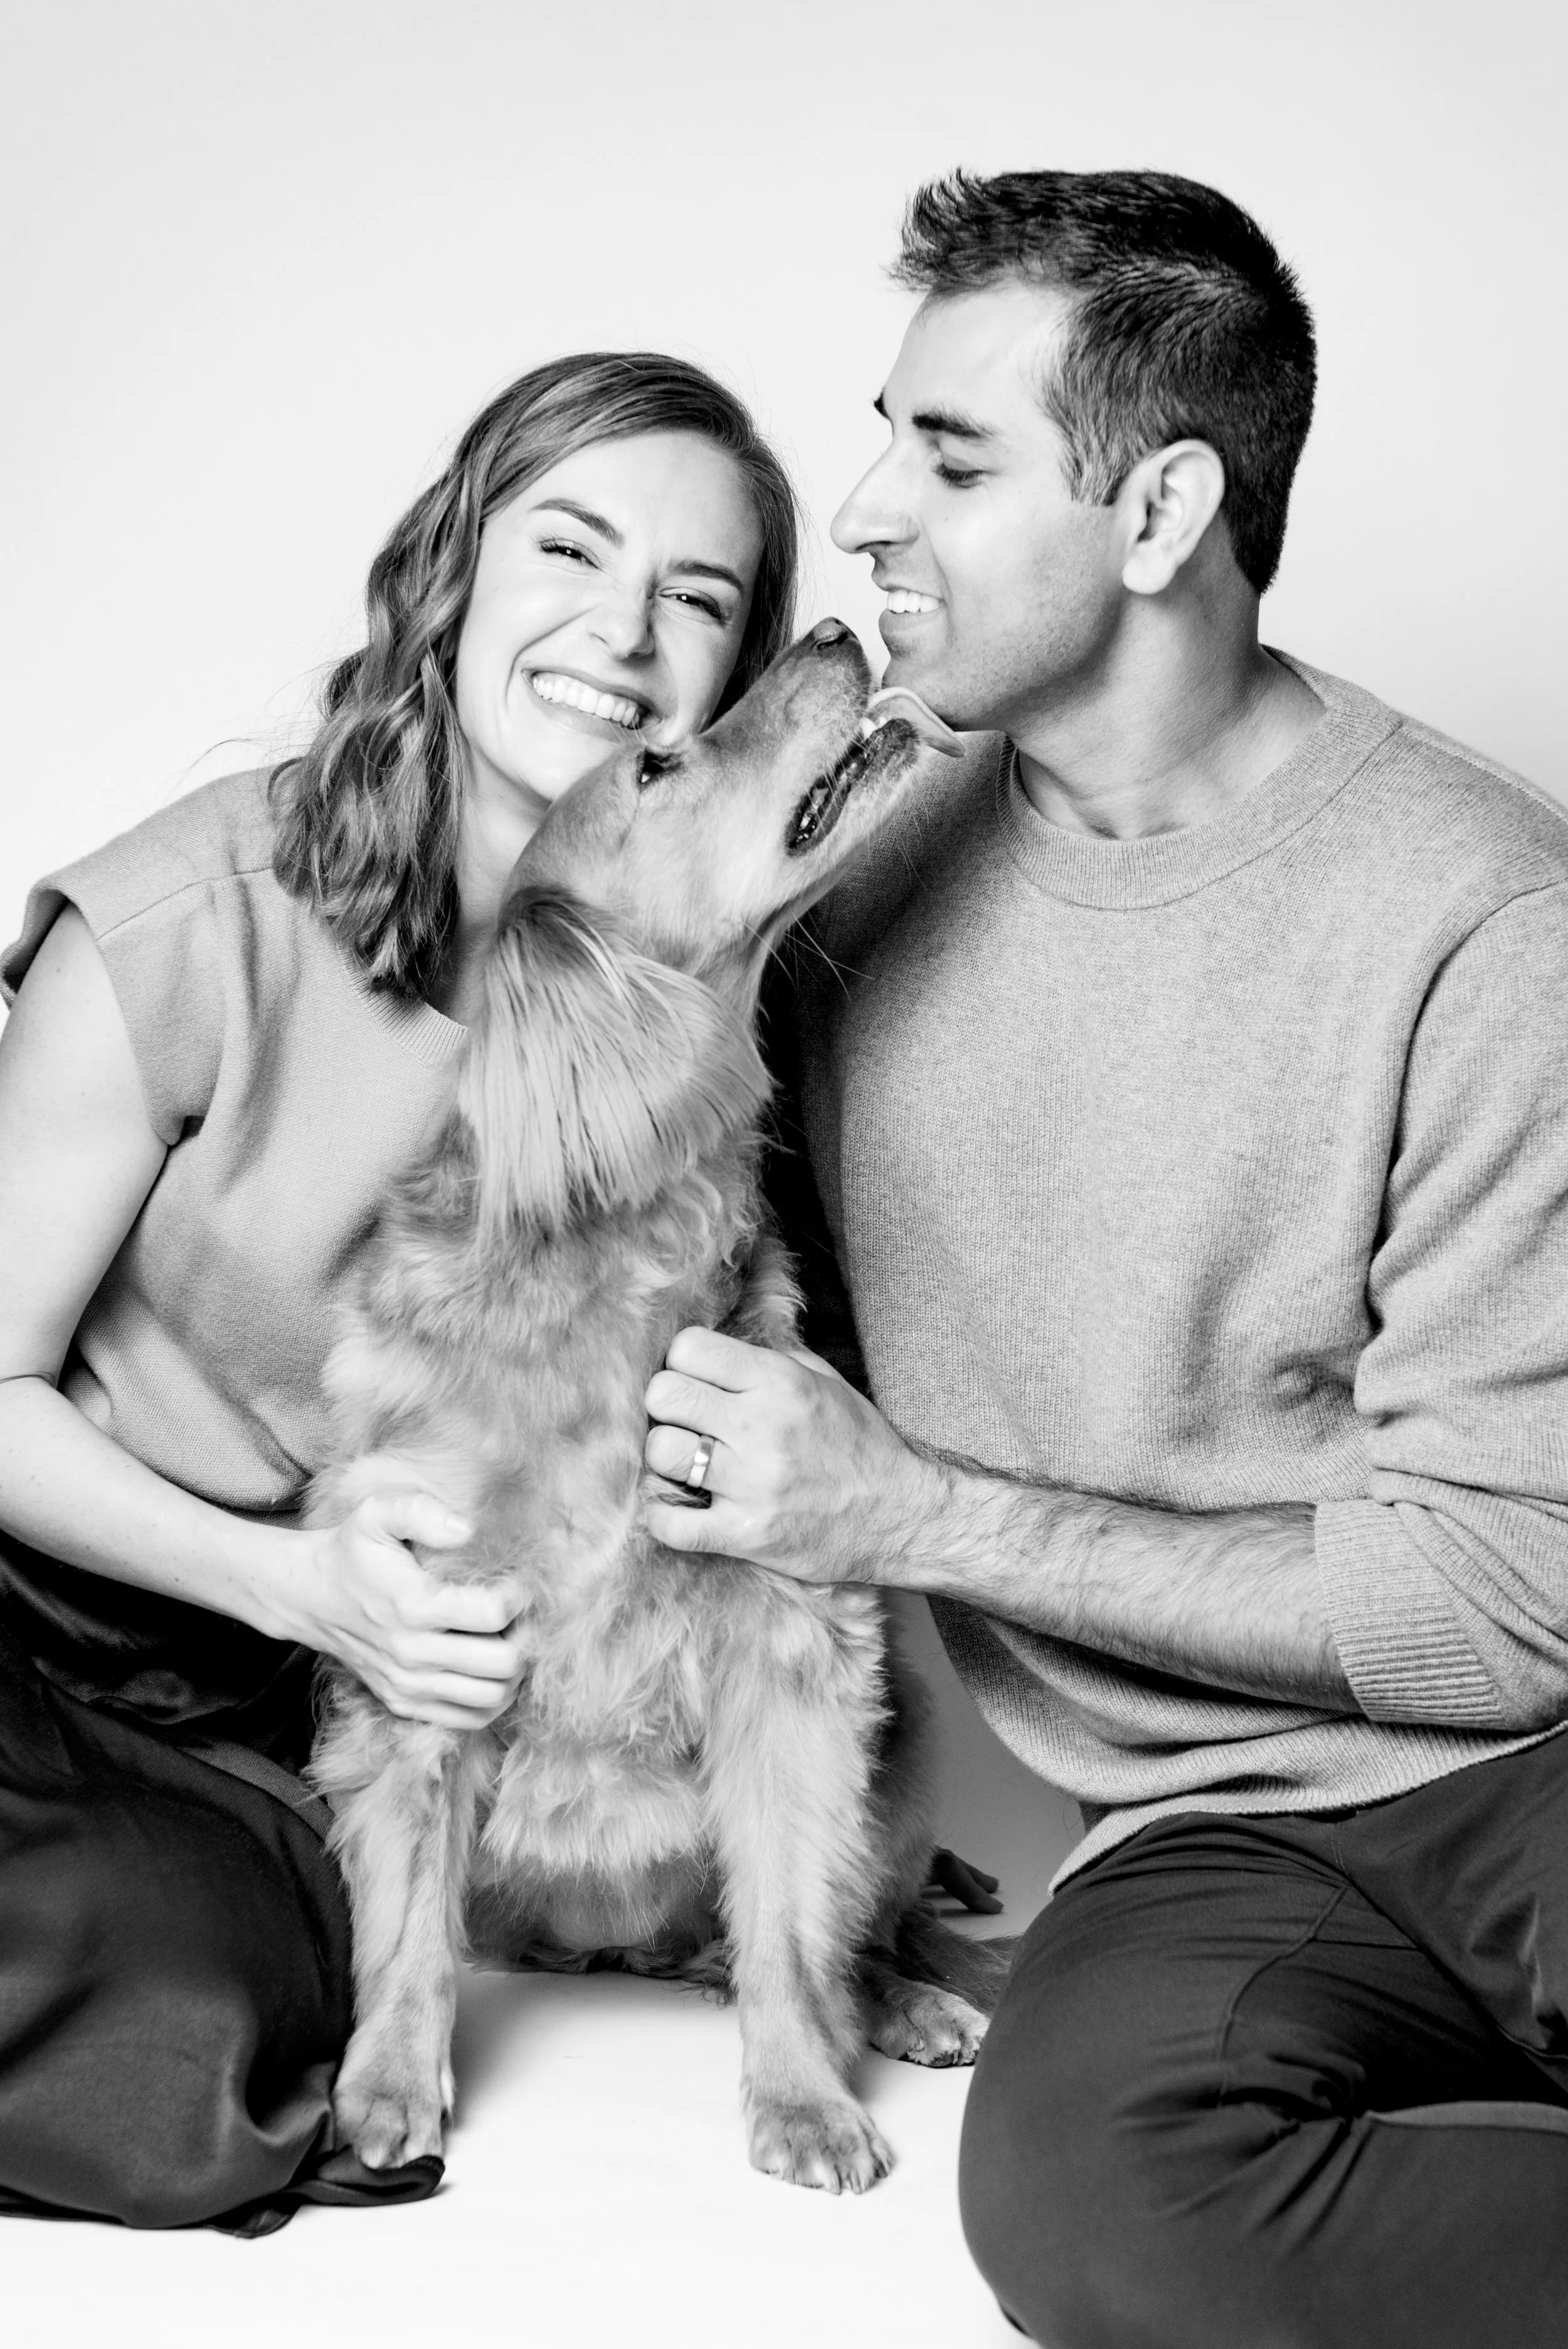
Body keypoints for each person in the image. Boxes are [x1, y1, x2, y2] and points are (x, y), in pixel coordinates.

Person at [642, 170, 1568, 2346]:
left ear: (1157, 513)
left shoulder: (1483, 918)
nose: (860, 510)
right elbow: (556, 1012)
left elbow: (1497, 1612)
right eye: (885, 434)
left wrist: (912, 1509)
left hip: (1537, 1769)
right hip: (1203, 1830)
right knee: (1089, 2219)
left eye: (947, 459)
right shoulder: (844, 884)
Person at [0, 351, 798, 2232]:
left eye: (694, 599)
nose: (621, 632)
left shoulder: (719, 1006)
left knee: (209, 2018)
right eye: (571, 548)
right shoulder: (193, 920)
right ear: (452, 567)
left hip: (291, 1715)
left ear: (735, 688)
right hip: (58, 1596)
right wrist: (288, 1576)